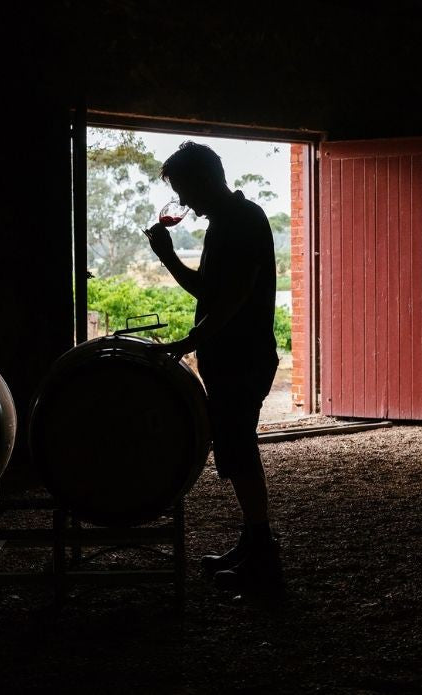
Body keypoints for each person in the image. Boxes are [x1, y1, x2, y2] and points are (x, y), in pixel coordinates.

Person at [143, 141, 284, 599]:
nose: (184, 202)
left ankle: (264, 561)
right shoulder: (225, 222)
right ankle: (253, 544)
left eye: (184, 189)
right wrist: (167, 256)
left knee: (239, 449)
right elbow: (207, 290)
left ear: (206, 179)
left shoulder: (243, 221)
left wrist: (188, 343)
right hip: (231, 357)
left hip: (244, 357)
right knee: (234, 448)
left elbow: (231, 300)